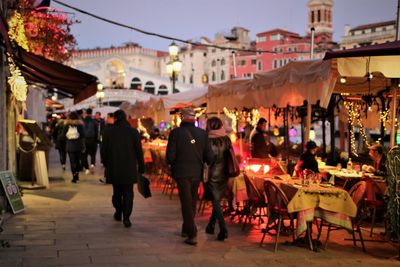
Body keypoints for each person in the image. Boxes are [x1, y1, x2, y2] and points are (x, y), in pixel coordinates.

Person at [166, 106, 213, 245]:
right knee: (192, 200)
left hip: (181, 172)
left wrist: (174, 161)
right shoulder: (203, 134)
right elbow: (209, 157)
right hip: (196, 173)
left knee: (186, 202)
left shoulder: (175, 133)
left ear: (182, 117)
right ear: (194, 118)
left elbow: (170, 156)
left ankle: (191, 233)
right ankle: (186, 228)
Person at [101, 110, 145, 228]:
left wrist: (105, 163)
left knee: (117, 192)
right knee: (128, 193)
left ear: (115, 118)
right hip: (129, 167)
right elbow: (139, 151)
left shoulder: (108, 132)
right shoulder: (133, 132)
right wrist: (141, 166)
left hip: (114, 166)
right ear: (125, 118)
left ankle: (118, 211)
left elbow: (103, 150)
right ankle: (126, 218)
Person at [204, 117, 231, 241]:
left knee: (215, 200)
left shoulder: (207, 141)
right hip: (224, 173)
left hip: (212, 174)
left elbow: (207, 159)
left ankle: (223, 228)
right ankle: (211, 225)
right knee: (217, 200)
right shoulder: (227, 139)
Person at [62, 111, 85, 183]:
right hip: (78, 145)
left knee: (72, 162)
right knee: (78, 161)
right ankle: (77, 175)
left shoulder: (66, 125)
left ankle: (74, 177)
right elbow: (83, 135)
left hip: (70, 145)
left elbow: (63, 135)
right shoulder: (80, 125)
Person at [82, 108, 98, 174]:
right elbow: (97, 132)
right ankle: (92, 164)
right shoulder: (94, 122)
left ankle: (87, 168)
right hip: (93, 140)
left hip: (84, 140)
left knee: (84, 155)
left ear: (86, 113)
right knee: (93, 154)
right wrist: (96, 140)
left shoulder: (82, 121)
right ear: (91, 113)